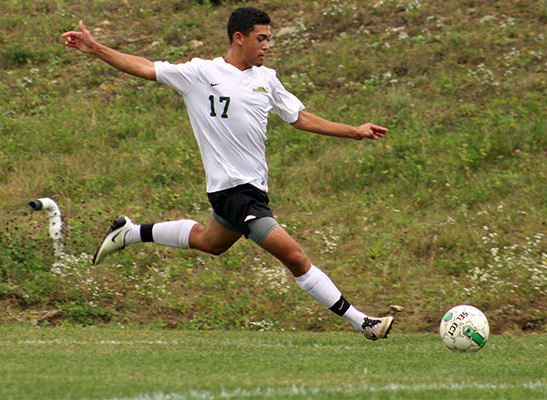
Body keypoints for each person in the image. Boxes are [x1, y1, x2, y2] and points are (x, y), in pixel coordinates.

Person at [62, 7, 393, 340]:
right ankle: (362, 322)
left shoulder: (267, 79)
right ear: (239, 38)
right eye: (261, 39)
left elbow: (300, 118)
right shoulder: (201, 73)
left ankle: (129, 233)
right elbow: (147, 68)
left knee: (210, 243)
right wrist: (97, 49)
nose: (266, 46)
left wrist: (354, 131)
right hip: (231, 191)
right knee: (294, 256)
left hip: (253, 190)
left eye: (269, 39)